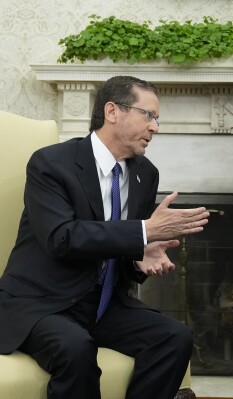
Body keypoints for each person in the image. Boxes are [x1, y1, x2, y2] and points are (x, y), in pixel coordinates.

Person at [0, 75, 211, 399]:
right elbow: (61, 238)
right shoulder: (51, 163)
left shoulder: (145, 173)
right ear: (113, 111)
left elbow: (120, 253)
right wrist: (144, 231)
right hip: (41, 303)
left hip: (100, 304)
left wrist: (142, 255)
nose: (155, 127)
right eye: (149, 115)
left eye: (157, 119)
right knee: (76, 347)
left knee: (175, 336)